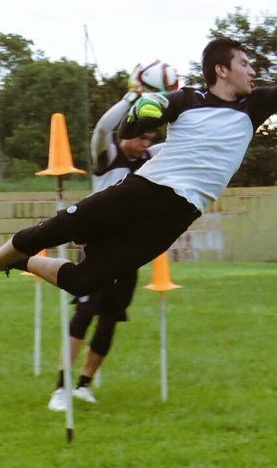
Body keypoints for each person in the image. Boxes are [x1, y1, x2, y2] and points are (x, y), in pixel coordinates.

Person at [0, 0, 277, 347]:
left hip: (177, 215)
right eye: (245, 63)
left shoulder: (256, 106)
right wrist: (141, 112)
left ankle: (21, 262)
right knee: (48, 231)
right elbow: (130, 131)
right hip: (143, 191)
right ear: (221, 70)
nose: (253, 70)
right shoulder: (186, 99)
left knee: (86, 279)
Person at [47, 86, 164, 412]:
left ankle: (83, 385)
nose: (145, 144)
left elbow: (179, 144)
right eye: (141, 137)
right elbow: (101, 128)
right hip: (98, 247)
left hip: (130, 251)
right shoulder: (107, 155)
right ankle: (60, 389)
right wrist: (131, 98)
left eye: (150, 138)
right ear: (127, 133)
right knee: (84, 314)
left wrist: (168, 103)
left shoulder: (149, 159)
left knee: (110, 318)